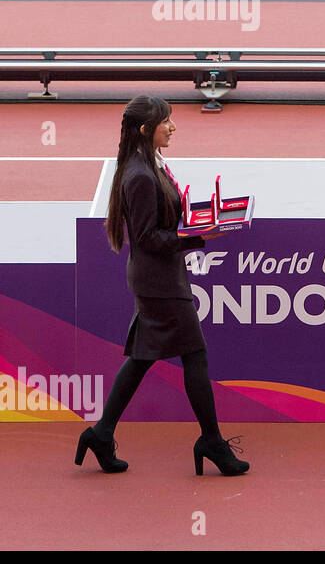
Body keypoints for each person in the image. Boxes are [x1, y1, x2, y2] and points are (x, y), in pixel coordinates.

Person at [75, 96, 250, 476]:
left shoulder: (148, 165)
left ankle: (101, 434)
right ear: (144, 130)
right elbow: (149, 237)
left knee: (141, 359)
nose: (172, 127)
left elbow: (161, 222)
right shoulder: (139, 175)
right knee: (195, 355)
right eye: (165, 121)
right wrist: (201, 235)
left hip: (158, 278)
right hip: (160, 283)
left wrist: (203, 219)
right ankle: (212, 442)